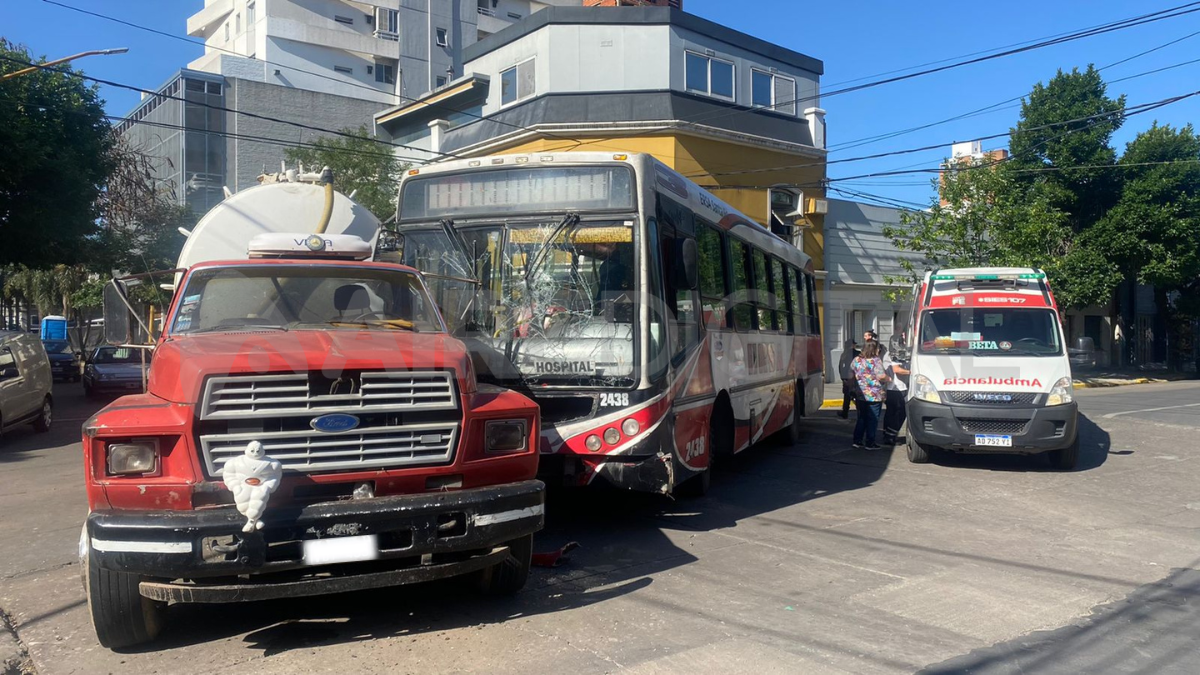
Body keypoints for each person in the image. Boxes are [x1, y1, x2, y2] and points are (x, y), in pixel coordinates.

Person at [851, 340, 889, 450]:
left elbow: (850, 373)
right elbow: (881, 376)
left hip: (860, 394)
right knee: (872, 419)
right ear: (875, 349)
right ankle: (870, 442)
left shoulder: (856, 360)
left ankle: (857, 440)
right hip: (874, 395)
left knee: (862, 417)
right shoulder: (876, 361)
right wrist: (889, 379)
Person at [882, 346, 910, 445]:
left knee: (891, 413)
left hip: (891, 388)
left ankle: (887, 434)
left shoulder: (890, 353)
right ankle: (890, 435)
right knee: (901, 413)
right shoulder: (896, 353)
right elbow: (897, 369)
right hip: (897, 388)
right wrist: (912, 372)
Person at [836, 339, 859, 419]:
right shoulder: (858, 354)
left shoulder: (844, 354)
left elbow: (840, 367)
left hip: (847, 377)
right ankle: (860, 411)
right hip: (856, 377)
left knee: (847, 396)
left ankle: (845, 412)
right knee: (857, 395)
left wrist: (843, 378)